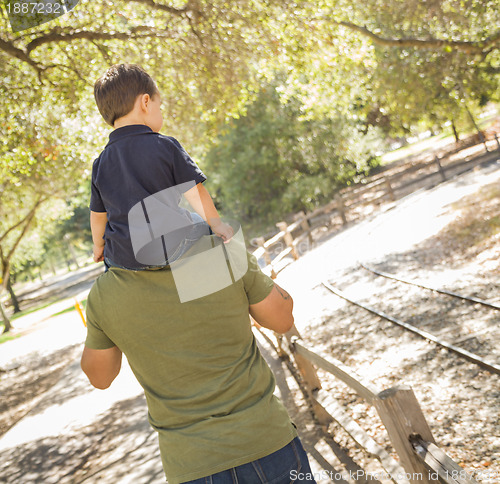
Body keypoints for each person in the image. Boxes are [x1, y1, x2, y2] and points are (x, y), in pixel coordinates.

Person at [81, 235, 317, 483]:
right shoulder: (222, 255)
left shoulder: (105, 293)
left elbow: (100, 378)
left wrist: (104, 323)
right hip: (267, 440)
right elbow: (283, 320)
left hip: (192, 463)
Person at [90, 63, 233, 270]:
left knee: (112, 261)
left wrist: (99, 246)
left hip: (124, 257)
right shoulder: (165, 145)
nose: (161, 112)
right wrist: (216, 224)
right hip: (169, 246)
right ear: (146, 102)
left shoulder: (100, 164)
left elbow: (98, 215)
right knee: (198, 223)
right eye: (160, 106)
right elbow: (195, 193)